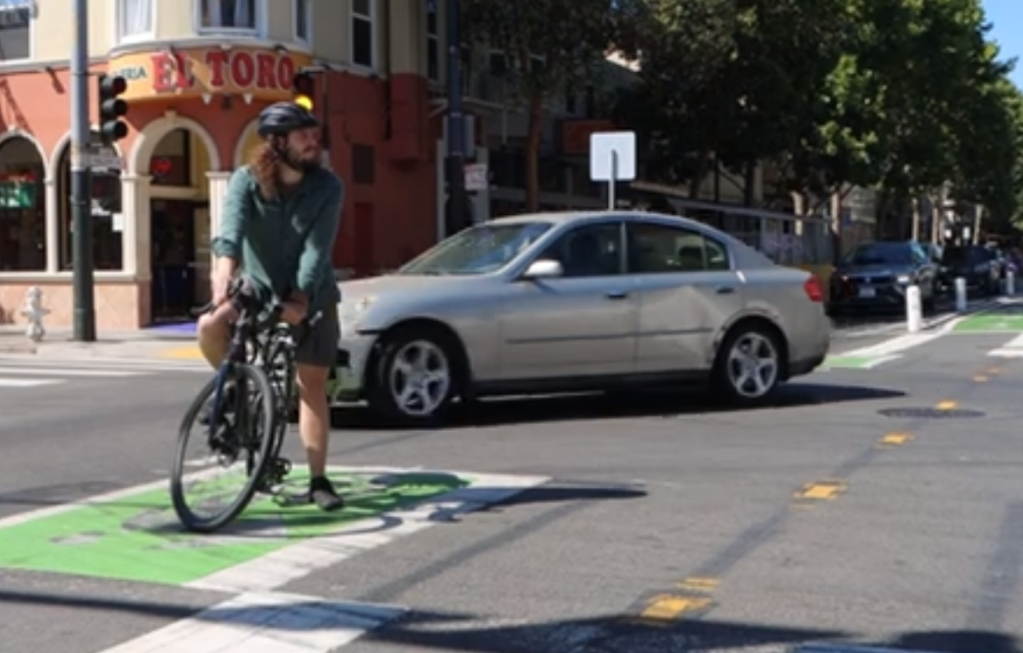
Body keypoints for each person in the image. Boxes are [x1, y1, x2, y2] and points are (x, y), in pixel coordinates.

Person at [196, 101, 345, 511]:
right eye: (303, 136)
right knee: (209, 326)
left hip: (312, 294)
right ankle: (234, 385)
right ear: (278, 143)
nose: (313, 142)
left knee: (310, 384)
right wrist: (222, 276)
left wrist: (300, 298)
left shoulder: (327, 187)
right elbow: (230, 232)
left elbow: (316, 250)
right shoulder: (246, 181)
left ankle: (318, 480)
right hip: (258, 288)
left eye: (314, 134)